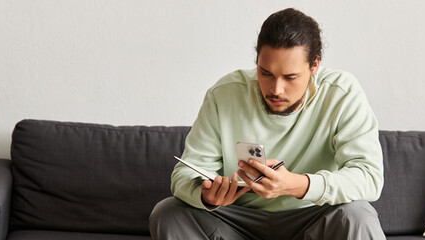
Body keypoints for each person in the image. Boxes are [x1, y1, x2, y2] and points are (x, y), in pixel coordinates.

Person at [149, 8, 385, 240]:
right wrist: (206, 195)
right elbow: (184, 174)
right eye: (266, 73)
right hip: (237, 221)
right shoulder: (225, 94)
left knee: (357, 215)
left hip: (312, 216)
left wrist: (297, 185)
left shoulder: (341, 94)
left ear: (314, 66)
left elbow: (369, 177)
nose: (276, 89)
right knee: (168, 213)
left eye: (290, 77)